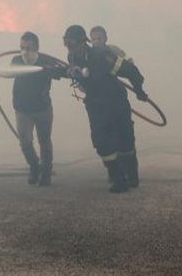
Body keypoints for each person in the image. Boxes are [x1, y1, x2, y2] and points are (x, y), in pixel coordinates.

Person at [62, 24, 147, 193]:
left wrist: (138, 90)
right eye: (67, 44)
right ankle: (118, 179)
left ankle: (132, 176)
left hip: (116, 103)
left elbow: (131, 71)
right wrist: (72, 73)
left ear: (82, 42)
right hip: (95, 106)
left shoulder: (102, 56)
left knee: (125, 143)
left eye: (72, 44)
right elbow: (74, 73)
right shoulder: (72, 58)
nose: (70, 49)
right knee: (101, 144)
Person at [11, 31, 62, 186]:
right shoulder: (16, 60)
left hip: (43, 109)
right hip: (22, 109)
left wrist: (76, 71)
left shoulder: (47, 62)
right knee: (25, 142)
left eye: (28, 48)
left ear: (37, 47)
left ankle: (46, 174)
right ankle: (35, 167)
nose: (25, 51)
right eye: (22, 47)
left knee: (44, 141)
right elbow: (8, 72)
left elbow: (63, 72)